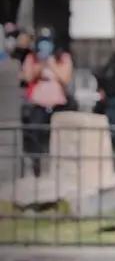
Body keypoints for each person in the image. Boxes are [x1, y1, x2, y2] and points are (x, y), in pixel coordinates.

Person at [20, 27, 73, 177]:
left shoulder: (63, 58)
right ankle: (37, 165)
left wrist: (52, 64)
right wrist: (41, 64)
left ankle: (57, 167)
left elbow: (65, 78)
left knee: (56, 136)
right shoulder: (32, 58)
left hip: (57, 104)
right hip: (38, 104)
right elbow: (28, 77)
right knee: (36, 135)